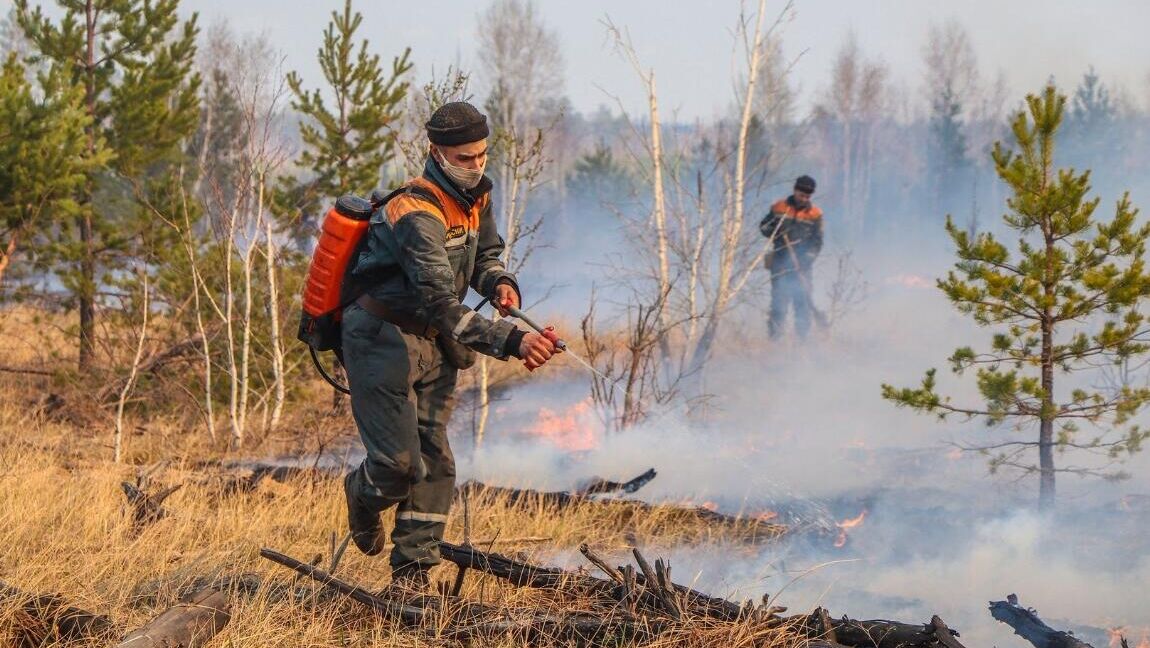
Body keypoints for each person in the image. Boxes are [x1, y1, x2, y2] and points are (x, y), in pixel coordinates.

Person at [340, 101, 560, 590]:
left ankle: (412, 578)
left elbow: (485, 254)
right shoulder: (414, 210)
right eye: (465, 158)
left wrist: (500, 282)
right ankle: (361, 492)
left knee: (435, 460)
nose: (477, 165)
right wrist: (514, 341)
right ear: (437, 152)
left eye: (482, 154)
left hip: (437, 343)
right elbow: (440, 300)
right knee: (397, 466)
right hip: (382, 339)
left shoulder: (476, 195)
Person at [759, 175, 824, 340]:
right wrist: (775, 229)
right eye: (802, 195)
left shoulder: (815, 214)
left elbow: (817, 242)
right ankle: (775, 340)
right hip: (780, 263)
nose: (804, 199)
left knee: (802, 302)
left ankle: (802, 340)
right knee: (779, 303)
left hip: (803, 266)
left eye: (808, 196)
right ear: (795, 190)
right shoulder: (779, 208)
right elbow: (763, 227)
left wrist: (806, 260)